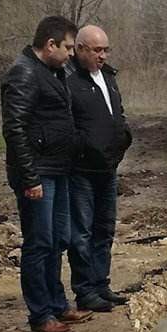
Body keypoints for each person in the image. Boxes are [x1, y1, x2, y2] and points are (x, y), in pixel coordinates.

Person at [0, 16, 88, 332]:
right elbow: (15, 129)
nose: (70, 54)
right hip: (39, 174)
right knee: (39, 243)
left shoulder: (53, 71)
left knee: (57, 241)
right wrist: (29, 177)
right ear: (50, 45)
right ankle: (41, 315)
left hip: (59, 169)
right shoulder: (23, 74)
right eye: (67, 47)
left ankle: (57, 303)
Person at [66, 23, 133, 311]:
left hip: (108, 167)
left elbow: (117, 113)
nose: (102, 55)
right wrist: (84, 147)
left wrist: (123, 137)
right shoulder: (68, 80)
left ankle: (101, 284)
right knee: (81, 232)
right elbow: (67, 125)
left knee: (104, 228)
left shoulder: (108, 76)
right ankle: (84, 290)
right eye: (96, 50)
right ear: (80, 49)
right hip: (81, 170)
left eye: (105, 50)